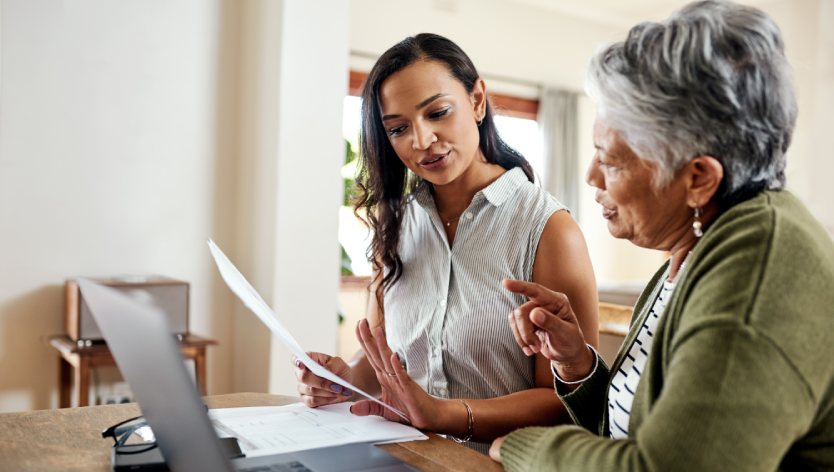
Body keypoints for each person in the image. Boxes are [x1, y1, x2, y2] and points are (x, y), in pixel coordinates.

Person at [490, 1, 834, 470]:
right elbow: (635, 431)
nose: (591, 175)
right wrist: (578, 366)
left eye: (609, 159)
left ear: (698, 179)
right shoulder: (690, 253)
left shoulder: (760, 267)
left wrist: (518, 446)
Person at [292, 33, 599, 454]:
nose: (421, 141)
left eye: (437, 112)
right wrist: (342, 379)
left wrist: (443, 413)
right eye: (398, 128)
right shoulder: (395, 223)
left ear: (477, 101)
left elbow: (568, 401)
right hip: (401, 458)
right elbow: (386, 360)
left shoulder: (548, 230)